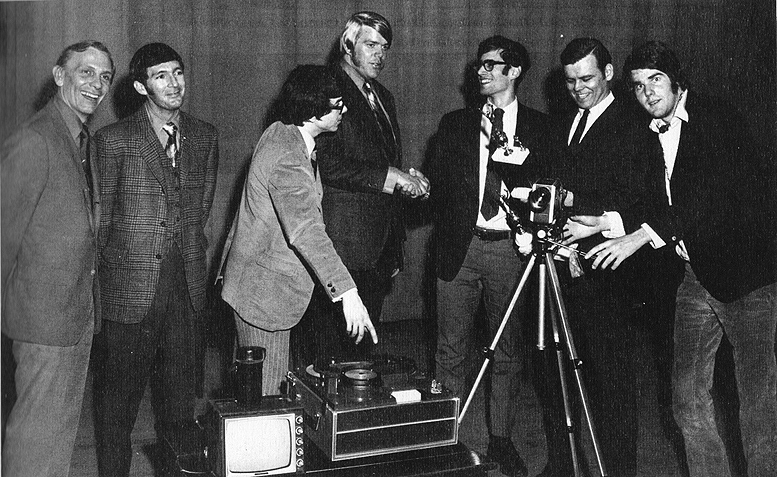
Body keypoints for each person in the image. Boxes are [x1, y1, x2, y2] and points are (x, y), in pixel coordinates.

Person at [587, 40, 777, 477]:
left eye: (655, 80)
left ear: (676, 81)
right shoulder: (650, 130)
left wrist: (640, 237)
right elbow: (649, 199)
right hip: (693, 275)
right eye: (637, 86)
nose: (648, 92)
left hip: (745, 278)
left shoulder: (716, 119)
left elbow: (705, 201)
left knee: (758, 404)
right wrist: (603, 223)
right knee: (686, 399)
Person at [527, 37, 664, 477]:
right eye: (570, 82)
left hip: (610, 271)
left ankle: (618, 470)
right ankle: (564, 465)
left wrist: (581, 207)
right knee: (557, 373)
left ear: (608, 74)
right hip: (565, 265)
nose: (578, 89)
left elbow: (641, 197)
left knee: (611, 385)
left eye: (587, 79)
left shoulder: (633, 122)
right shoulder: (568, 120)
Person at [92, 42, 219, 476]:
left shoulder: (204, 136)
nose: (174, 83)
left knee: (179, 410)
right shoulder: (113, 141)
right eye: (161, 75)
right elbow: (101, 223)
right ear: (141, 86)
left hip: (185, 291)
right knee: (117, 412)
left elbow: (200, 211)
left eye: (179, 72)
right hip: (130, 294)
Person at [427, 35, 550, 477]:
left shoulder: (542, 127)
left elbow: (549, 191)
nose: (481, 71)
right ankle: (446, 438)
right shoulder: (455, 123)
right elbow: (438, 187)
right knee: (449, 349)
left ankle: (501, 439)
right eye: (479, 65)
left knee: (509, 352)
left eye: (492, 65)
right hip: (460, 248)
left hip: (509, 252)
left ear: (514, 71)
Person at [219, 65, 378, 395]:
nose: (344, 110)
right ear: (313, 112)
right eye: (337, 105)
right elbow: (305, 229)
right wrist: (348, 294)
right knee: (267, 400)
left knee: (260, 392)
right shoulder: (289, 154)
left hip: (253, 285)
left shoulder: (280, 132)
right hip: (264, 297)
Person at [1, 40, 114, 477]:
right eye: (86, 72)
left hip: (74, 321)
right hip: (41, 326)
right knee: (33, 447)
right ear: (59, 75)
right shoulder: (33, 140)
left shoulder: (81, 140)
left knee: (57, 444)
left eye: (104, 76)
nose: (97, 84)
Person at [291, 11, 429, 367]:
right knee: (328, 360)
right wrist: (393, 178)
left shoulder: (382, 95)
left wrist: (409, 182)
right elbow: (327, 162)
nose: (380, 55)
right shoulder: (325, 88)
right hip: (339, 245)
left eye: (385, 47)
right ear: (348, 44)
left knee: (359, 357)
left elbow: (381, 160)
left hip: (376, 248)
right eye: (371, 45)